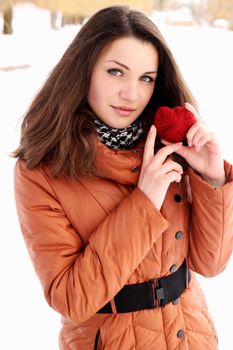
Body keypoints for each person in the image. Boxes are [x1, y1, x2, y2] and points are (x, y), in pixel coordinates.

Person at [13, 5, 233, 350]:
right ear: (83, 70)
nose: (132, 94)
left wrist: (213, 178)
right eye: (116, 72)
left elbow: (211, 263)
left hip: (190, 336)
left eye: (146, 78)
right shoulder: (42, 169)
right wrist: (144, 202)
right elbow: (71, 298)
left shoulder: (170, 145)